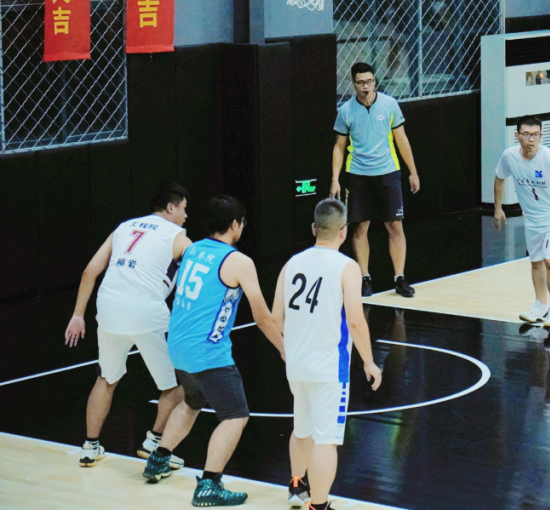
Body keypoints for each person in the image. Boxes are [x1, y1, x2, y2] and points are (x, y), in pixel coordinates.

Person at [142, 195, 285, 507]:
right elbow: (262, 317)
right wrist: (284, 349)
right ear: (235, 225)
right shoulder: (238, 261)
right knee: (235, 416)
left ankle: (158, 459)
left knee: (192, 401)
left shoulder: (193, 250)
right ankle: (209, 484)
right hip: (207, 352)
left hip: (177, 345)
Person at [64, 182, 193, 468]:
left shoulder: (123, 228)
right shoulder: (177, 235)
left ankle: (90, 447)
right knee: (177, 383)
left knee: (106, 378)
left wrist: (77, 315)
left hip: (109, 309)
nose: (186, 216)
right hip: (147, 312)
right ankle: (155, 441)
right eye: (184, 209)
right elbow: (199, 271)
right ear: (171, 207)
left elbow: (89, 271)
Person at [271, 198, 383, 510]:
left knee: (302, 429)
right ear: (343, 232)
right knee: (325, 440)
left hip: (297, 365)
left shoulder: (291, 263)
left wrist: (287, 349)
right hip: (329, 368)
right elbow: (355, 321)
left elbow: (275, 318)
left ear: (314, 228)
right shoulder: (347, 268)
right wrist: (369, 361)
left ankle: (297, 487)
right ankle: (318, 505)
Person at [330, 62, 420, 298]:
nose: (366, 86)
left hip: (388, 173)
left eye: (369, 81)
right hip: (358, 176)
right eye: (361, 82)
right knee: (360, 228)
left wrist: (413, 171)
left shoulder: (389, 104)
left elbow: (402, 139)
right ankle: (365, 278)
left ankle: (399, 278)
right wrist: (335, 179)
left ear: (375, 82)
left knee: (395, 226)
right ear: (353, 84)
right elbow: (339, 147)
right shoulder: (346, 111)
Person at [494, 116, 550, 330]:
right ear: (517, 135)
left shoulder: (549, 158)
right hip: (531, 217)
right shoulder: (509, 156)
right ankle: (540, 306)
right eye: (526, 134)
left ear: (541, 136)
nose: (531, 139)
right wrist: (498, 208)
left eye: (536, 135)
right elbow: (499, 177)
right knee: (535, 261)